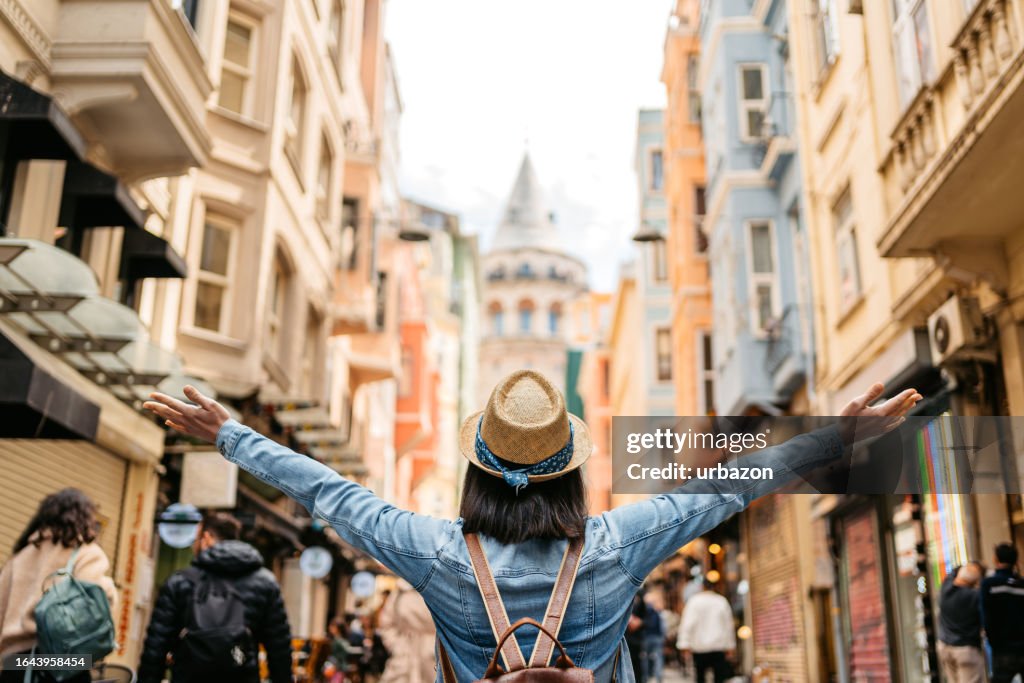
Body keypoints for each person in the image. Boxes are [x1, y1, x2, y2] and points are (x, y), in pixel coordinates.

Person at [144, 371, 919, 682]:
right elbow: (722, 488)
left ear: (476, 466)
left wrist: (230, 433)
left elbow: (332, 494)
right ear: (571, 467)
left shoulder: (434, 552)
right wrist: (835, 437)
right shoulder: (618, 542)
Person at [137, 512, 293, 683]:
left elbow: (155, 648)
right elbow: (279, 650)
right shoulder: (266, 583)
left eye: (195, 539)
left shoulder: (180, 582)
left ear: (206, 538)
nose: (193, 545)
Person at [0, 489, 118, 683]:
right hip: (65, 664)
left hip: (15, 664)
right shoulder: (86, 553)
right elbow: (99, 604)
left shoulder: (20, 556)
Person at [676, 579, 735, 683]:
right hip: (718, 647)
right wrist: (730, 646)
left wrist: (684, 645)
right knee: (719, 677)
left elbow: (687, 624)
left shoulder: (694, 602)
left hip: (700, 648)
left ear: (701, 587)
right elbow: (728, 626)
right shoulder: (721, 601)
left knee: (700, 676)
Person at [981, 543, 1024, 683]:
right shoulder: (1021, 584)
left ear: (995, 560)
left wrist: (993, 641)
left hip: (1002, 648)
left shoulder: (989, 584)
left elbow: (986, 616)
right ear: (1016, 561)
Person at [377, 582, 435, 683]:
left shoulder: (441, 586)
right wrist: (396, 645)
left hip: (433, 654)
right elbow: (387, 623)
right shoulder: (401, 591)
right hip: (404, 653)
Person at [936, 562, 985, 683]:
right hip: (966, 650)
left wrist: (967, 567)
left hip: (945, 647)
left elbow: (952, 573)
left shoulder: (945, 589)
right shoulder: (974, 596)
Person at [641, 596, 665, 683]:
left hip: (646, 637)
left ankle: (645, 678)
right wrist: (663, 637)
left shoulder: (644, 613)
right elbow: (662, 627)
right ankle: (659, 677)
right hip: (657, 638)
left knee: (645, 657)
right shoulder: (657, 613)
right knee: (658, 658)